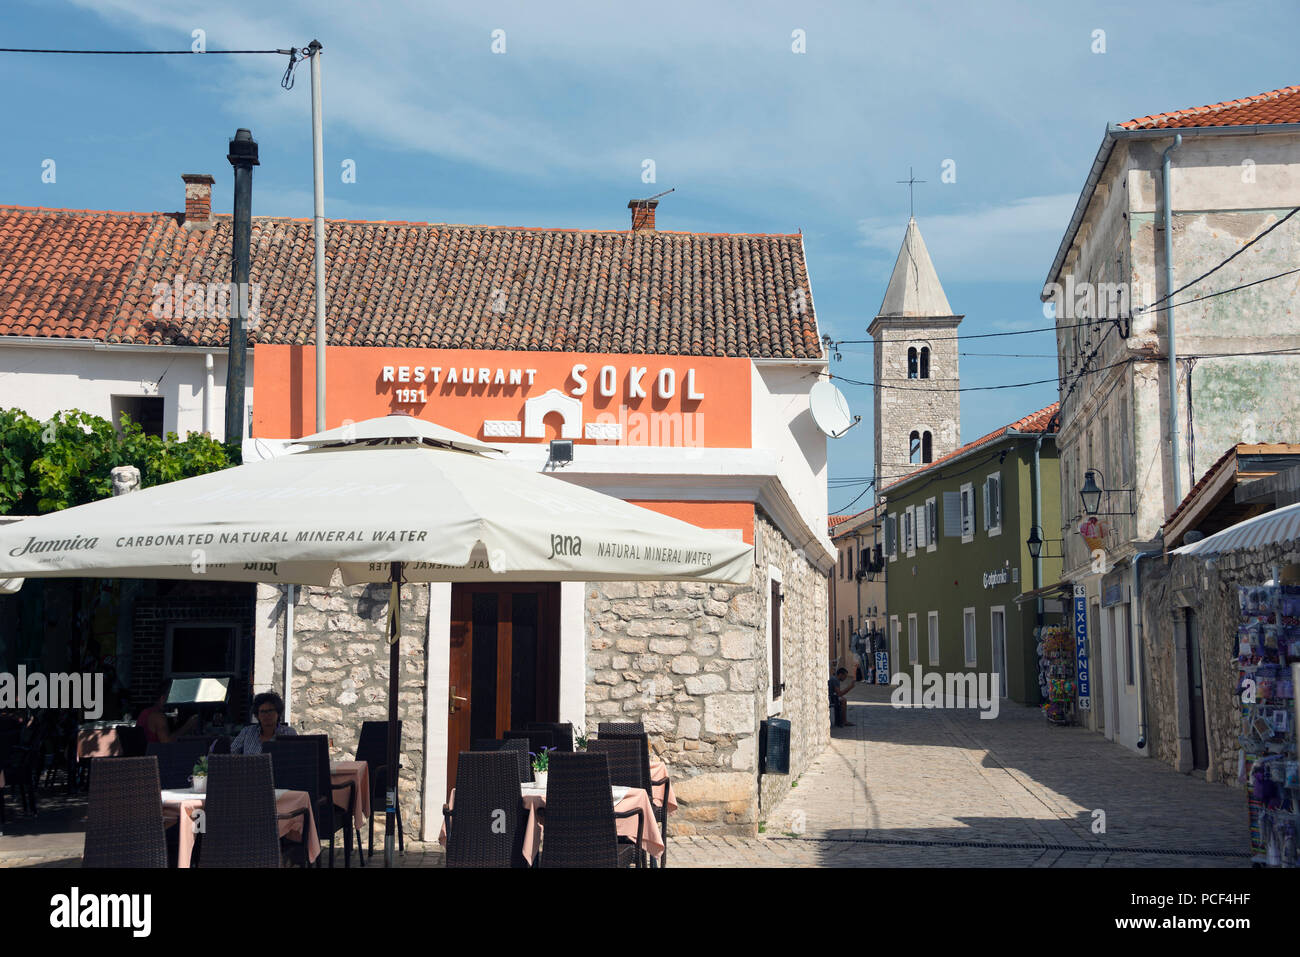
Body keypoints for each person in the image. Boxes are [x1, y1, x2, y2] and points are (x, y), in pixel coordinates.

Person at [229, 692, 297, 755]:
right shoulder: (247, 732)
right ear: (257, 715)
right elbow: (231, 753)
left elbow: (295, 757)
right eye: (262, 711)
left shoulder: (289, 733)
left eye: (270, 711)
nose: (267, 715)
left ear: (278, 712)